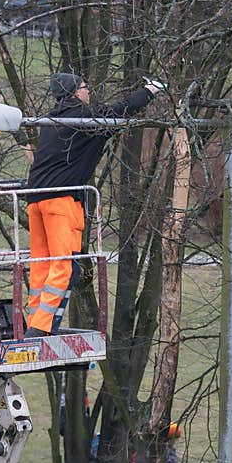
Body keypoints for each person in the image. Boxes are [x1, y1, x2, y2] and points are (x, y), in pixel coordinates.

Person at [22, 72, 165, 338]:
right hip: (61, 202)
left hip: (36, 200)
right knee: (64, 265)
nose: (89, 93)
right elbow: (122, 111)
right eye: (86, 88)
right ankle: (41, 328)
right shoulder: (85, 117)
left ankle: (34, 321)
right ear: (76, 92)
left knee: (42, 265)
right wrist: (151, 90)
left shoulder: (51, 121)